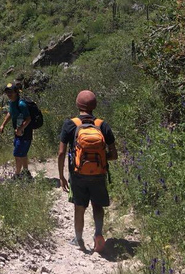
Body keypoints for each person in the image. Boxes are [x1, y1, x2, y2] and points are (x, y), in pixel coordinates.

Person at [58, 90, 118, 254]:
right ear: (95, 106)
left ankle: (79, 239)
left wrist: (62, 176)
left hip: (78, 174)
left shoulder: (70, 124)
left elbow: (61, 152)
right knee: (97, 205)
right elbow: (114, 154)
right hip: (98, 174)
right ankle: (98, 234)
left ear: (78, 105)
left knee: (79, 206)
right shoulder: (102, 125)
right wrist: (100, 159)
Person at [0, 82, 33, 179]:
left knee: (17, 154)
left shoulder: (21, 104)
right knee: (22, 154)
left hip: (25, 133)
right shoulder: (12, 102)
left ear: (16, 92)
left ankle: (17, 175)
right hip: (19, 133)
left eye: (11, 92)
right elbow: (10, 113)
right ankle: (26, 173)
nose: (9, 94)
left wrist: (21, 128)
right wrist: (3, 125)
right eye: (7, 92)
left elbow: (28, 119)